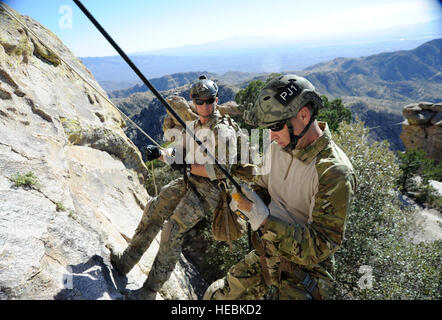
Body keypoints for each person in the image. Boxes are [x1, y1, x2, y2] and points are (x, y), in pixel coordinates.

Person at [204, 74, 356, 300]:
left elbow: (320, 245)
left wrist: (264, 220)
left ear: (303, 115)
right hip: (268, 251)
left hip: (304, 271)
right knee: (215, 297)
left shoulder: (333, 172)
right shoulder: (278, 147)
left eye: (276, 126)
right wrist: (248, 197)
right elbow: (264, 189)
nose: (272, 136)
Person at [108, 75, 242, 300]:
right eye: (200, 101)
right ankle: (124, 263)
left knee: (172, 230)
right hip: (190, 181)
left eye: (210, 101)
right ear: (193, 101)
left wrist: (187, 164)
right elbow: (178, 154)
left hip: (210, 191)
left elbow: (220, 170)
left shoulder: (223, 130)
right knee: (153, 209)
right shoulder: (195, 125)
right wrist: (160, 154)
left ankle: (149, 291)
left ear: (216, 100)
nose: (205, 106)